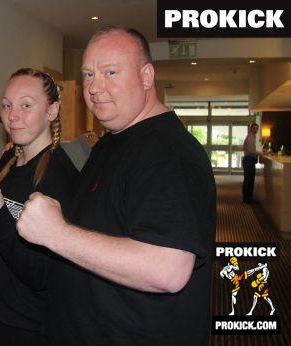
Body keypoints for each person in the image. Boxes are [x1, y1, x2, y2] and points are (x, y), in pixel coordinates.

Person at [15, 26, 216, 345]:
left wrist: (57, 234)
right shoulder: (113, 141)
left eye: (110, 72)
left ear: (146, 77)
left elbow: (168, 269)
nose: (95, 87)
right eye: (88, 75)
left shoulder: (168, 152)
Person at [0, 68, 79, 345]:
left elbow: (41, 273)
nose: (13, 115)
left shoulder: (60, 177)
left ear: (52, 111)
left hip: (29, 327)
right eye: (7, 105)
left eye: (26, 105)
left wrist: (0, 215)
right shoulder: (8, 162)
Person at [242, 122, 262, 203]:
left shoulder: (252, 137)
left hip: (248, 160)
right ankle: (248, 198)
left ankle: (246, 197)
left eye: (257, 129)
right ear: (251, 129)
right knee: (249, 180)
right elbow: (250, 151)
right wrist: (260, 153)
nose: (256, 130)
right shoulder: (250, 138)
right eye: (254, 128)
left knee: (248, 179)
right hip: (249, 160)